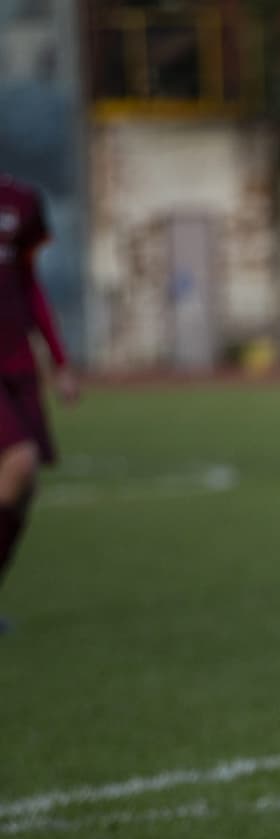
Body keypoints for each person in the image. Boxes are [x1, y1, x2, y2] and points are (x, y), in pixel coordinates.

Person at [0, 172, 79, 633]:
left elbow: (29, 286)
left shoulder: (21, 200)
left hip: (16, 363)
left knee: (25, 490)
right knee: (19, 464)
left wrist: (59, 360)